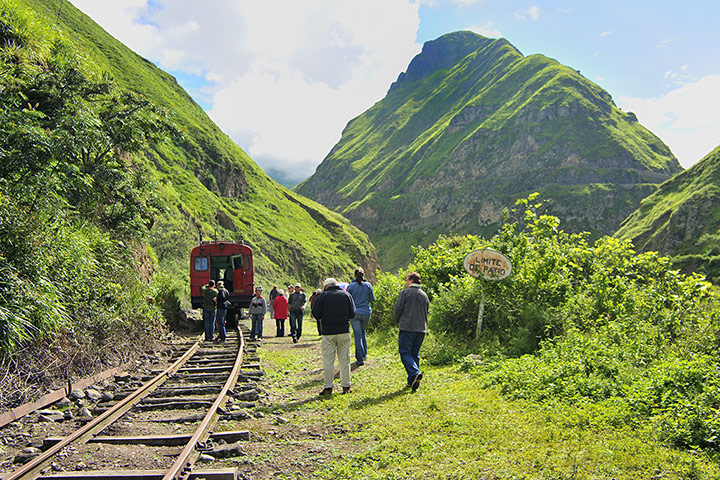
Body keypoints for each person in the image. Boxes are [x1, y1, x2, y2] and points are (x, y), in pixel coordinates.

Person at [312, 277, 356, 395]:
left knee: (328, 361)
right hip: (343, 330)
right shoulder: (346, 295)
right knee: (345, 360)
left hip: (328, 332)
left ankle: (328, 387)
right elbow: (352, 313)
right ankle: (346, 386)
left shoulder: (322, 296)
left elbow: (316, 314)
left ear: (326, 286)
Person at [394, 271, 429, 392]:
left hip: (407, 327)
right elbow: (427, 311)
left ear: (411, 280)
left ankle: (415, 372)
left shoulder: (405, 293)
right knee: (415, 354)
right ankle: (412, 381)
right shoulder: (424, 295)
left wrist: (398, 320)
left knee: (404, 352)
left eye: (406, 280)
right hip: (421, 329)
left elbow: (398, 309)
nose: (405, 282)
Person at [346, 267, 375, 366]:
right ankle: (364, 353)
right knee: (363, 332)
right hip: (366, 312)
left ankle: (360, 359)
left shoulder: (351, 286)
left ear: (355, 275)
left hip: (355, 313)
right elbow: (372, 299)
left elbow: (347, 300)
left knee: (358, 336)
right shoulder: (368, 285)